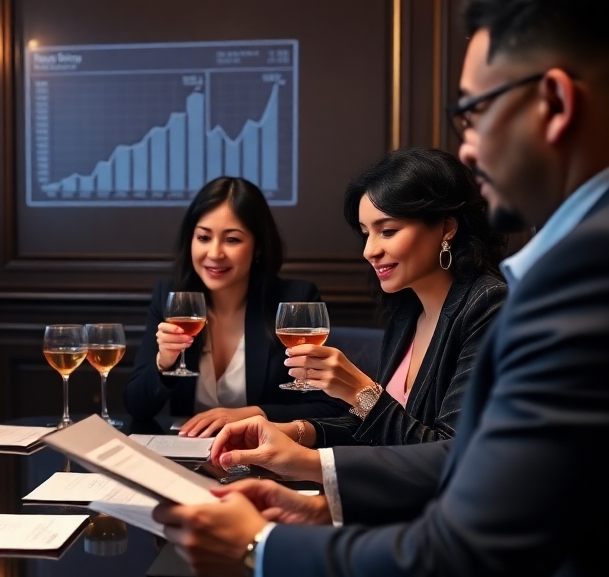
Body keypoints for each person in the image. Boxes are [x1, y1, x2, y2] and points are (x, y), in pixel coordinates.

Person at [154, 0, 609, 577]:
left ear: (552, 103)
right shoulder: (532, 276)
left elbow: (460, 564)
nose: (467, 145)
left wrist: (264, 548)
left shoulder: (582, 275)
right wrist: (317, 493)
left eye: (473, 113)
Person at [212, 148, 507, 482]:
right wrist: (292, 431)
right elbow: (377, 427)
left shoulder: (488, 305)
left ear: (446, 227)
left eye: (388, 231)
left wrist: (361, 391)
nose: (370, 251)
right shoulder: (408, 309)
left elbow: (449, 456)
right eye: (366, 233)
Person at [123, 176, 344, 435]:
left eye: (232, 240)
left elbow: (330, 407)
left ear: (258, 246)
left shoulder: (295, 299)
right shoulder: (170, 298)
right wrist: (165, 362)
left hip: (265, 459)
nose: (215, 253)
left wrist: (254, 413)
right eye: (204, 237)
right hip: (189, 457)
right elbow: (137, 406)